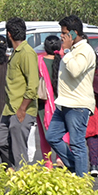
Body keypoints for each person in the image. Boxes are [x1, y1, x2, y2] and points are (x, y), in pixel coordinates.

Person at [46, 15, 96, 177]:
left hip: (78, 106)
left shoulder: (85, 50)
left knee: (77, 144)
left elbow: (75, 70)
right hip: (64, 103)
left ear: (74, 34)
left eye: (64, 33)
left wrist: (66, 51)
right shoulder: (74, 50)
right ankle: (76, 166)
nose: (61, 36)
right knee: (52, 137)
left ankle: (82, 183)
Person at [0, 18, 38, 169]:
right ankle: (12, 171)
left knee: (19, 150)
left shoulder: (27, 53)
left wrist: (22, 109)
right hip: (9, 108)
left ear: (9, 35)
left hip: (21, 109)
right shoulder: (15, 52)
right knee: (1, 141)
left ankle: (23, 182)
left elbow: (33, 85)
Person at [36, 35, 62, 168]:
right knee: (62, 131)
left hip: (44, 104)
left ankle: (48, 163)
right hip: (61, 103)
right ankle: (60, 157)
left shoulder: (39, 61)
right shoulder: (63, 61)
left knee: (44, 134)